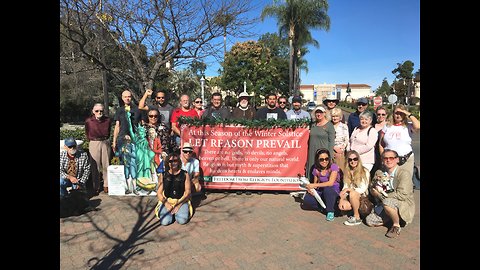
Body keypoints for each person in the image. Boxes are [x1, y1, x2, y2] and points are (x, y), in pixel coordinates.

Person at [366, 149, 415, 238]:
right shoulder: (379, 172)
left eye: (391, 158)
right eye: (385, 158)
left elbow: (402, 195)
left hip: (401, 202)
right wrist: (373, 191)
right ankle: (391, 216)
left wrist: (380, 195)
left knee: (387, 202)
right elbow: (372, 187)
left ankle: (396, 225)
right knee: (369, 221)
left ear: (397, 160)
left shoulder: (404, 173)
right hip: (383, 203)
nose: (388, 160)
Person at [379, 104, 420, 179]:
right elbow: (381, 144)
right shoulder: (387, 126)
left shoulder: (409, 126)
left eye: (401, 113)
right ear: (393, 114)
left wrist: (407, 113)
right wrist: (383, 157)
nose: (398, 115)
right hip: (390, 160)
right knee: (389, 182)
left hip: (406, 159)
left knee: (405, 181)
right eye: (396, 113)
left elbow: (418, 126)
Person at [302, 148, 341, 221]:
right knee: (307, 199)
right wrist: (311, 190)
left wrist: (314, 185)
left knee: (328, 189)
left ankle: (330, 211)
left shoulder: (333, 167)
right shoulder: (316, 169)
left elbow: (330, 183)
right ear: (317, 160)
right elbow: (316, 184)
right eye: (321, 159)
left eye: (326, 159)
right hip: (321, 191)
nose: (324, 161)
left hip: (332, 191)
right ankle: (326, 208)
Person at [155, 152, 192, 225]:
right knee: (165, 222)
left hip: (181, 200)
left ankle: (178, 212)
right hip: (167, 200)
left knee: (182, 220)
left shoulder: (185, 174)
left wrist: (178, 205)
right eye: (170, 161)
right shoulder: (163, 175)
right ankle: (171, 214)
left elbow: (188, 192)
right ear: (168, 163)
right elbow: (159, 193)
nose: (173, 163)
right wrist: (166, 204)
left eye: (175, 161)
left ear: (178, 162)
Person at [85, 103, 112, 194]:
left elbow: (109, 131)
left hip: (105, 141)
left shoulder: (107, 120)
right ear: (93, 111)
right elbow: (87, 132)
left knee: (106, 164)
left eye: (101, 111)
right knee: (95, 165)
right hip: (94, 142)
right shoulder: (89, 121)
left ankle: (106, 185)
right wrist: (92, 141)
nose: (99, 112)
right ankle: (96, 186)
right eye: (97, 111)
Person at [338, 150, 370, 226]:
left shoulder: (364, 171)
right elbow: (345, 187)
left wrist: (349, 190)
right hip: (350, 195)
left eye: (355, 159)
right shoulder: (347, 171)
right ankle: (352, 210)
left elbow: (362, 188)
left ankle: (357, 217)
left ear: (358, 159)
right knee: (344, 204)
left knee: (353, 193)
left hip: (361, 196)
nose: (353, 161)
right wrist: (342, 199)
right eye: (350, 159)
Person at [305, 106, 335, 179]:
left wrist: (330, 156)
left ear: (324, 113)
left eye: (321, 112)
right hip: (312, 153)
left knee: (322, 172)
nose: (319, 114)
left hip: (323, 153)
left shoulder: (329, 125)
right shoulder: (312, 125)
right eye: (317, 112)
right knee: (312, 171)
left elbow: (331, 142)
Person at [113, 90, 143, 156]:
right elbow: (117, 126)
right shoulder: (119, 110)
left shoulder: (137, 109)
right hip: (122, 138)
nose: (127, 98)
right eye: (125, 97)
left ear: (131, 97)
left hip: (135, 138)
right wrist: (114, 141)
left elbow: (141, 124)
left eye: (129, 96)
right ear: (122, 98)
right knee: (123, 160)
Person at [371, 106, 389, 178]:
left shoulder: (389, 126)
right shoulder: (373, 126)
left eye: (383, 114)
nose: (381, 116)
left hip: (386, 152)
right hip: (374, 154)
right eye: (379, 114)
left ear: (386, 115)